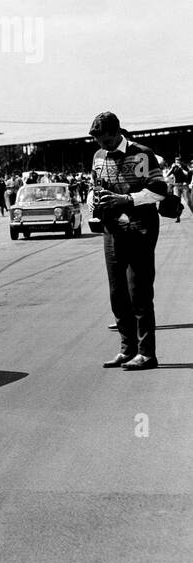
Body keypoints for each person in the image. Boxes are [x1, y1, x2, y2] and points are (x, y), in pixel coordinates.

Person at [90, 112, 167, 371]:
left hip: (140, 228)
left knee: (139, 292)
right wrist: (94, 200)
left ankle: (146, 354)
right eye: (98, 140)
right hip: (112, 230)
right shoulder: (99, 157)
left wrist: (127, 200)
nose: (103, 145)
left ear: (117, 132)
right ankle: (127, 349)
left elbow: (158, 191)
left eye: (106, 139)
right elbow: (94, 187)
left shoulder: (141, 155)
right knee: (117, 292)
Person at [166, 156, 191, 223]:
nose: (178, 162)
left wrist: (181, 168)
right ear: (175, 161)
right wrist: (172, 168)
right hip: (176, 186)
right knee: (177, 202)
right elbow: (167, 175)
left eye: (179, 161)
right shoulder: (174, 167)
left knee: (188, 201)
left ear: (181, 161)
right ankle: (178, 217)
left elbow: (187, 174)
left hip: (184, 185)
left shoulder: (184, 166)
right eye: (176, 161)